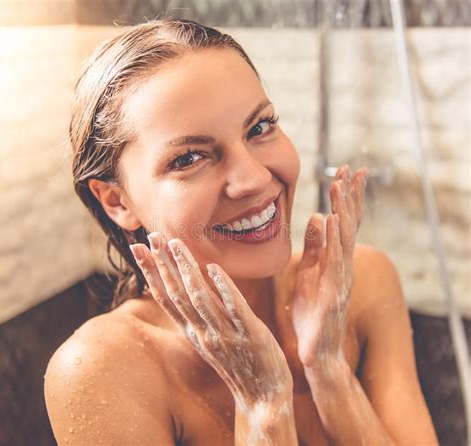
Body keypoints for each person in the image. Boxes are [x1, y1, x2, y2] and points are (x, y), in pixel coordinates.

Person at [44, 18, 438, 445]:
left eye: (260, 128)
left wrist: (328, 368)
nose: (252, 178)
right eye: (189, 158)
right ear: (117, 201)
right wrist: (262, 405)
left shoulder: (361, 284)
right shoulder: (102, 370)